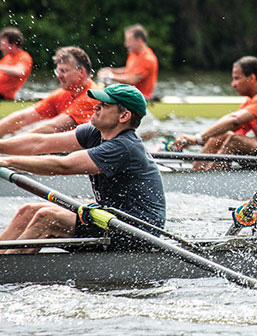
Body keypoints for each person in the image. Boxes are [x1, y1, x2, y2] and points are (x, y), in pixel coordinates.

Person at [0, 84, 166, 254]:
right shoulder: (95, 132)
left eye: (105, 105)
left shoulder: (123, 147)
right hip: (110, 219)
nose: (96, 106)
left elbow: (62, 166)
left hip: (136, 233)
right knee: (27, 211)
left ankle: (8, 272)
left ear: (124, 116)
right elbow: (40, 143)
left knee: (47, 218)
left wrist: (7, 162)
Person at [174, 56, 257, 171]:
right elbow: (228, 130)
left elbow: (234, 120)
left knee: (235, 141)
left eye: (237, 78)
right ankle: (196, 174)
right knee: (222, 134)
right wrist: (194, 142)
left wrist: (197, 138)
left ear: (251, 78)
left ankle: (209, 180)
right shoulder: (250, 102)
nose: (233, 84)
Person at [0, 46, 100, 138]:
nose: (59, 76)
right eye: (58, 71)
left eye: (64, 71)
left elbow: (53, 126)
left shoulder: (91, 96)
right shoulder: (62, 94)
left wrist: (9, 144)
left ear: (81, 72)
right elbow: (22, 117)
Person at [97, 24, 158, 100]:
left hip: (140, 99)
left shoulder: (148, 59)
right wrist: (111, 70)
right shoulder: (133, 54)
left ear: (139, 40)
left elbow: (132, 80)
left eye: (129, 41)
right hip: (129, 95)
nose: (126, 44)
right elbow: (128, 70)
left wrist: (110, 76)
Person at [0, 27, 33, 100]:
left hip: (4, 96)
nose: (1, 48)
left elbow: (19, 71)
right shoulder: (7, 58)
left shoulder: (24, 56)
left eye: (3, 44)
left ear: (13, 45)